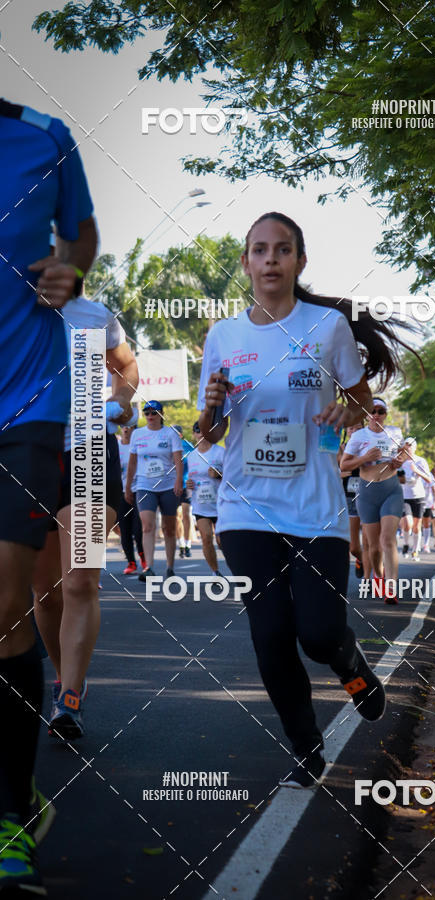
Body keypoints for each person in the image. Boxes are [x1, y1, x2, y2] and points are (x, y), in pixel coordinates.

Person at [197, 212, 414, 788]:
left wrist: (346, 412)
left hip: (316, 507)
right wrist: (212, 408)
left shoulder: (326, 328)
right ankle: (305, 746)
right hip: (246, 510)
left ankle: (349, 664)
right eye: (260, 250)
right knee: (269, 635)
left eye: (283, 250)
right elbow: (207, 433)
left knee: (318, 633)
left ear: (299, 261)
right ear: (245, 262)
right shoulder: (223, 336)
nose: (271, 260)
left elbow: (361, 400)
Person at [0, 97, 96, 893]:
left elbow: (82, 233)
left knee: (20, 599)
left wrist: (74, 268)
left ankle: (7, 813)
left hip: (33, 406)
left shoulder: (43, 137)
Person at [31, 294, 138, 740]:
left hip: (89, 450)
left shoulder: (94, 315)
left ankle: (69, 698)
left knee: (80, 580)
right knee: (45, 591)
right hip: (27, 452)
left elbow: (126, 366)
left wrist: (122, 398)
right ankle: (64, 678)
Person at [341, 400, 405, 602]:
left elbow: (402, 455)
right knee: (374, 547)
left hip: (391, 490)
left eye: (381, 411)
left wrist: (399, 461)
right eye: (373, 411)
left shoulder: (394, 432)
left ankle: (391, 588)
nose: (376, 415)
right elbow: (345, 464)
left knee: (388, 540)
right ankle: (379, 575)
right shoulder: (359, 436)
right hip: (367, 493)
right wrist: (364, 458)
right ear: (367, 415)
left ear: (386, 414)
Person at [125, 402, 183, 580]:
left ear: (161, 414)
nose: (151, 416)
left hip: (167, 485)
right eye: (147, 412)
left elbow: (178, 460)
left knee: (169, 528)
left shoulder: (170, 434)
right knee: (147, 525)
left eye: (154, 412)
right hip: (144, 486)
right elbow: (132, 462)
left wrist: (179, 481)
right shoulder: (137, 434)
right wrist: (128, 486)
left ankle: (170, 567)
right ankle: (148, 567)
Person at [186, 422, 224, 576]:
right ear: (194, 434)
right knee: (206, 538)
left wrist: (219, 474)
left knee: (223, 542)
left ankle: (237, 569)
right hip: (200, 504)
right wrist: (189, 484)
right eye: (197, 432)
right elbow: (191, 479)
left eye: (204, 431)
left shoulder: (220, 452)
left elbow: (233, 478)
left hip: (221, 504)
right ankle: (215, 572)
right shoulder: (191, 456)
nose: (201, 435)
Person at [339, 423, 367, 578]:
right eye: (351, 428)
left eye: (358, 428)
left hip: (370, 495)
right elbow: (332, 470)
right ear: (346, 431)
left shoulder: (369, 447)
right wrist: (339, 473)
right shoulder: (341, 448)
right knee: (354, 547)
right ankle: (363, 560)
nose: (354, 431)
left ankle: (376, 575)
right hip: (350, 497)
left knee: (373, 542)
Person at [118, 423, 146, 574]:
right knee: (125, 529)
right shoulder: (116, 446)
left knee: (138, 528)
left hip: (139, 490)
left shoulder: (140, 446)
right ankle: (131, 562)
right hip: (121, 493)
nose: (126, 429)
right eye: (124, 426)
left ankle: (143, 558)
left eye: (130, 427)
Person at [400, 437, 432, 561]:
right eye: (406, 445)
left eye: (411, 445)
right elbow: (395, 478)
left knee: (417, 526)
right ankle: (406, 544)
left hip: (418, 496)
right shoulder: (400, 461)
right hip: (404, 496)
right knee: (408, 523)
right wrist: (402, 479)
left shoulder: (421, 461)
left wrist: (417, 471)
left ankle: (415, 550)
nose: (408, 447)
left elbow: (429, 480)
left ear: (415, 447)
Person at [173, 424, 195, 559]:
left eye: (176, 433)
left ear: (180, 435)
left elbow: (196, 463)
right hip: (173, 485)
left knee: (186, 514)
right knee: (176, 516)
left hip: (186, 484)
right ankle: (181, 544)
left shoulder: (187, 446)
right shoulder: (167, 447)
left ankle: (188, 545)